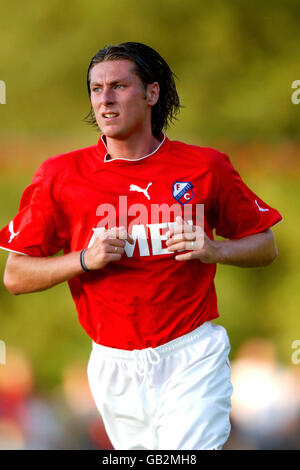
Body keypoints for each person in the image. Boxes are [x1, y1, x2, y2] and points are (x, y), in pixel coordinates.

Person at [0, 42, 282, 450]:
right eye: (96, 89)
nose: (105, 99)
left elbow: (265, 245)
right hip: (113, 363)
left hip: (192, 353)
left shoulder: (205, 166)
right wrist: (84, 259)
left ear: (152, 93)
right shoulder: (60, 174)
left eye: (118, 86)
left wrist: (216, 249)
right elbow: (16, 276)